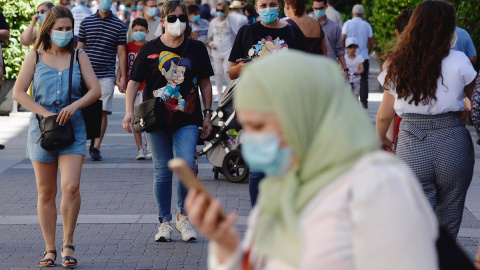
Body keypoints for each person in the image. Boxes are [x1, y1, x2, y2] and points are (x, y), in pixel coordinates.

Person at [186, 51, 439, 270]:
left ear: (300, 116)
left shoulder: (378, 185)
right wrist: (226, 248)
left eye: (258, 126)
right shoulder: (279, 189)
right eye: (246, 127)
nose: (249, 139)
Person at [376, 0, 477, 239]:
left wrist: (381, 139)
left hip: (411, 142)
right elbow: (477, 104)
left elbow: (383, 115)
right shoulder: (460, 60)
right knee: (449, 217)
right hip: (453, 140)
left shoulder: (396, 62)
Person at [12, 6, 101, 267]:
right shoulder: (34, 57)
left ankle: (68, 243)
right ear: (48, 30)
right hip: (41, 131)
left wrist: (74, 106)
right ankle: (49, 248)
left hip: (74, 130)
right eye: (60, 28)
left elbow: (95, 90)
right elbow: (18, 93)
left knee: (71, 186)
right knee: (45, 192)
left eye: (68, 28)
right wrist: (44, 113)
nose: (64, 33)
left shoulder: (79, 55)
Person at [122, 0, 214, 242]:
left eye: (181, 18)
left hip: (188, 118)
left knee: (185, 167)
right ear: (162, 21)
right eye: (171, 18)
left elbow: (205, 82)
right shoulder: (149, 49)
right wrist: (128, 112)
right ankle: (164, 222)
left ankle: (184, 218)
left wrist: (207, 115)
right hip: (155, 119)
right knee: (162, 171)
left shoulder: (196, 48)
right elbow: (133, 83)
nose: (177, 22)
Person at [228, 0, 305, 206]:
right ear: (256, 8)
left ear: (279, 6)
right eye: (263, 5)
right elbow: (231, 72)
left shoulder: (293, 33)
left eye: (271, 4)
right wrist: (244, 67)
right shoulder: (247, 32)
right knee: (258, 170)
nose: (267, 9)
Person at [77, 0, 127, 161]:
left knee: (102, 110)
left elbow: (121, 53)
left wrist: (123, 77)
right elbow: (79, 48)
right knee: (83, 109)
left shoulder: (119, 25)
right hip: (85, 73)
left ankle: (96, 147)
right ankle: (84, 142)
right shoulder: (86, 22)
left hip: (106, 74)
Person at [121, 17, 151, 160]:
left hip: (146, 87)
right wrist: (119, 78)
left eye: (141, 30)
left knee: (147, 118)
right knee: (134, 118)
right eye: (136, 30)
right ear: (132, 31)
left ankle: (150, 147)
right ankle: (140, 149)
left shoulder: (150, 46)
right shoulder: (128, 47)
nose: (138, 32)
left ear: (147, 31)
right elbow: (123, 64)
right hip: (131, 87)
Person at [342, 4, 373, 109]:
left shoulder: (347, 24)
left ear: (352, 13)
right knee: (364, 80)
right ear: (363, 14)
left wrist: (344, 50)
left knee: (346, 78)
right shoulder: (366, 25)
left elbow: (343, 38)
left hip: (348, 58)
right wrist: (368, 52)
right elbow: (371, 41)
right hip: (363, 56)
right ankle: (364, 102)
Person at [206, 1, 235, 102]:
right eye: (217, 10)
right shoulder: (213, 22)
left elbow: (237, 34)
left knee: (227, 72)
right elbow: (208, 38)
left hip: (228, 50)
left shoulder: (230, 20)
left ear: (226, 10)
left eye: (222, 10)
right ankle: (219, 93)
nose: (219, 12)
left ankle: (231, 93)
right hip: (216, 52)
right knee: (218, 73)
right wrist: (211, 44)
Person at [312, 0, 347, 76]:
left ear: (326, 7)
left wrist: (345, 69)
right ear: (313, 8)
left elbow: (339, 49)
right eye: (316, 8)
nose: (318, 11)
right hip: (314, 68)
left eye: (321, 8)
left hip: (331, 67)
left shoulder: (334, 26)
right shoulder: (309, 25)